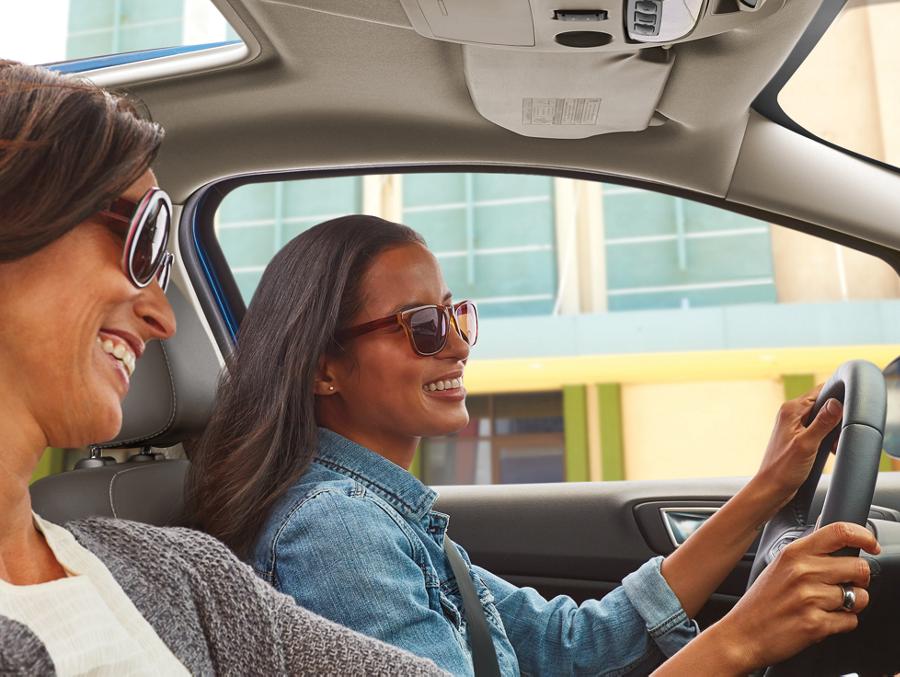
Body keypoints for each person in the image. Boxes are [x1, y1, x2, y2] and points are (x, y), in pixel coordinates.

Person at [186, 213, 881, 675]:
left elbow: (576, 644)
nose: (457, 345)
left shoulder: (383, 517)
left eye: (457, 315)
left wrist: (766, 492)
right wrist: (743, 639)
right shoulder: (335, 530)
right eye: (422, 325)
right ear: (323, 369)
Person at [0, 60, 444, 675]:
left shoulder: (179, 573)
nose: (163, 317)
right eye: (140, 239)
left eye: (163, 263)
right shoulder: (321, 527)